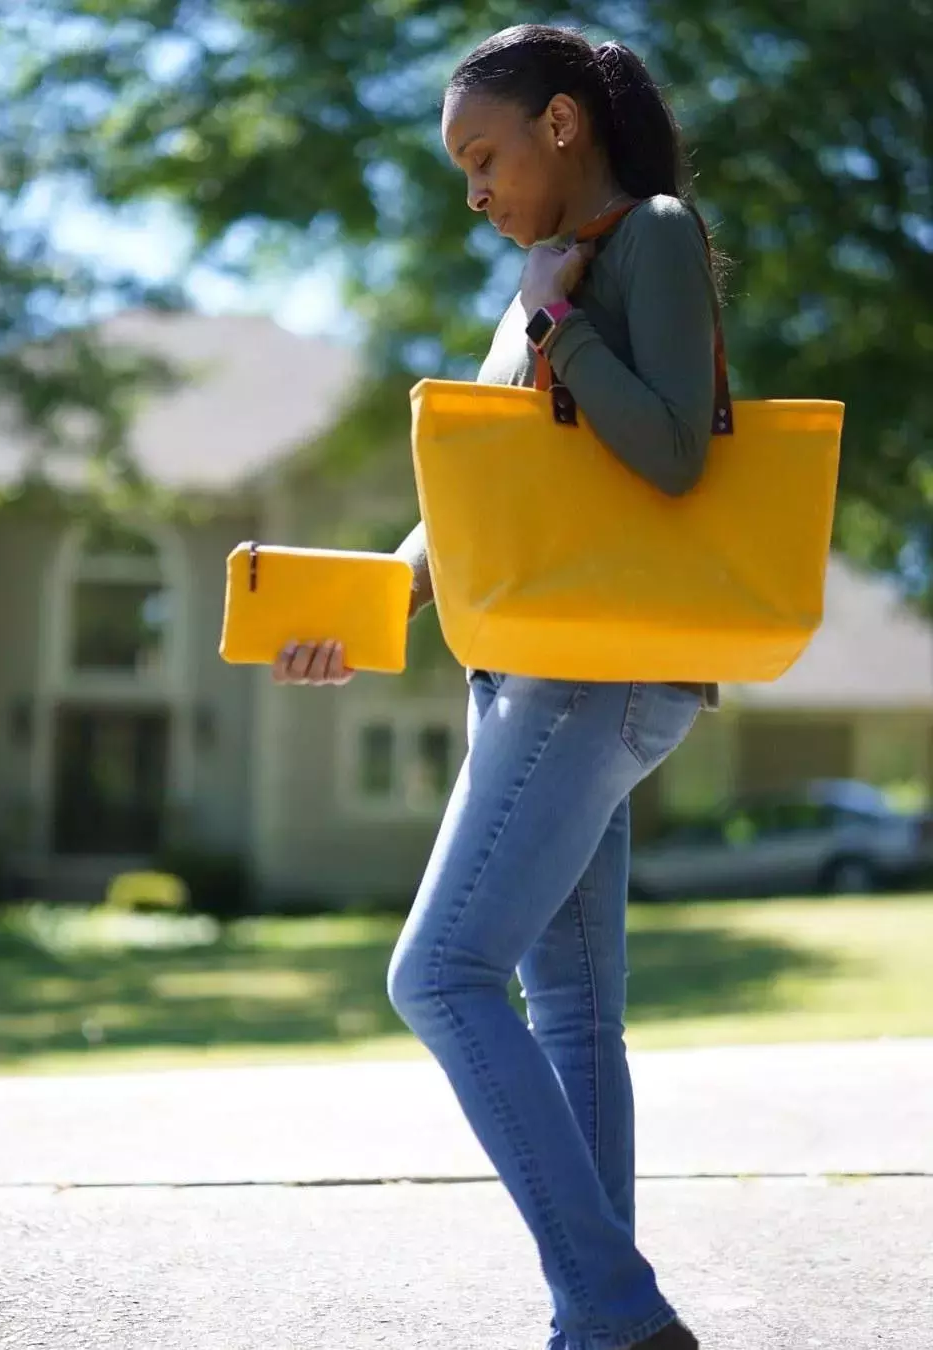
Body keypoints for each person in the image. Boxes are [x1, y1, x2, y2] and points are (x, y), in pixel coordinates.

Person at [272, 23, 723, 1350]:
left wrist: (558, 320)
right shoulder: (543, 280)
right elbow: (485, 501)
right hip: (531, 670)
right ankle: (599, 1322)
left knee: (440, 974)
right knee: (573, 1008)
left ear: (565, 123)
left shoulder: (647, 238)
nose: (474, 190)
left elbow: (678, 454)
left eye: (484, 155)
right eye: (462, 171)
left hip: (594, 671)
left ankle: (619, 1311)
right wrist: (359, 612)